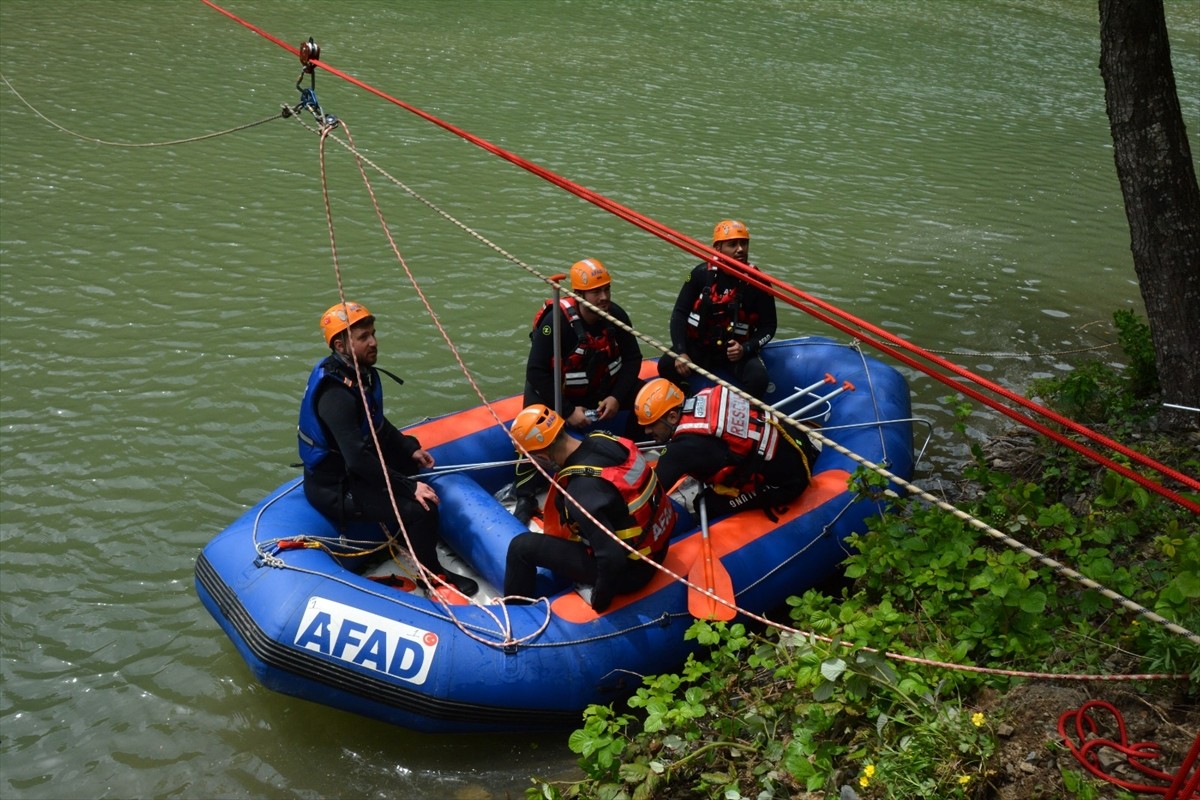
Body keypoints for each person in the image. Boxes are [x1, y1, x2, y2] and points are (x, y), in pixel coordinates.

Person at [297, 300, 478, 597]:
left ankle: (413, 535)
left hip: (353, 470)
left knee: (411, 461)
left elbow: (375, 422)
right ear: (340, 346)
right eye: (363, 337)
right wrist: (409, 487)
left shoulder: (358, 373)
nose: (373, 342)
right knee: (422, 509)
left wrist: (408, 448)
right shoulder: (335, 395)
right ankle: (432, 575)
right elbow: (357, 459)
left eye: (373, 334)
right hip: (336, 487)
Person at [503, 404, 676, 612]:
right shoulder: (605, 439)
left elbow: (612, 558)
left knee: (520, 547)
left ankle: (514, 614)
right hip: (658, 547)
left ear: (543, 457)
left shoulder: (580, 492)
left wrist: (600, 601)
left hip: (633, 572)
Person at [511, 258, 645, 523]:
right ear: (579, 294)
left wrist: (616, 397)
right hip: (560, 393)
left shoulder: (616, 316)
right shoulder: (556, 324)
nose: (604, 297)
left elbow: (633, 359)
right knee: (531, 424)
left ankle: (636, 449)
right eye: (596, 292)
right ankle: (525, 493)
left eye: (606, 289)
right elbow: (535, 371)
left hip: (600, 388)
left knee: (644, 397)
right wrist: (568, 411)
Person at [634, 377, 818, 519]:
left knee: (705, 504)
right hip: (796, 442)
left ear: (673, 417)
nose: (646, 431)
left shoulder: (679, 451)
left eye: (651, 425)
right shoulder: (704, 396)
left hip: (788, 482)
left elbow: (649, 496)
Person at [658, 219, 777, 399]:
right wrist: (681, 352)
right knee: (666, 365)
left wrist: (745, 348)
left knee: (759, 379)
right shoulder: (700, 274)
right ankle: (685, 395)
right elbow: (679, 314)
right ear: (718, 249)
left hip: (734, 353)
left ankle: (744, 409)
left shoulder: (758, 283)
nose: (740, 249)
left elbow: (769, 326)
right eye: (733, 244)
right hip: (699, 347)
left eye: (744, 244)